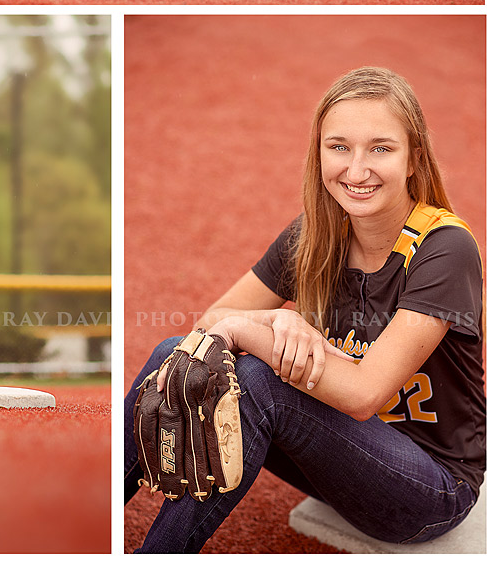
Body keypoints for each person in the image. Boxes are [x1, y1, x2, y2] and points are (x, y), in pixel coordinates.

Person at [125, 67, 484, 552]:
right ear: (318, 154)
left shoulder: (446, 249)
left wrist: (251, 333)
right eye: (339, 147)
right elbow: (210, 323)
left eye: (381, 148)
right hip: (342, 460)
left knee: (259, 383)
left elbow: (362, 394)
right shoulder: (316, 234)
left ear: (415, 157)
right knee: (178, 352)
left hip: (427, 488)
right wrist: (277, 318)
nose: (356, 171)